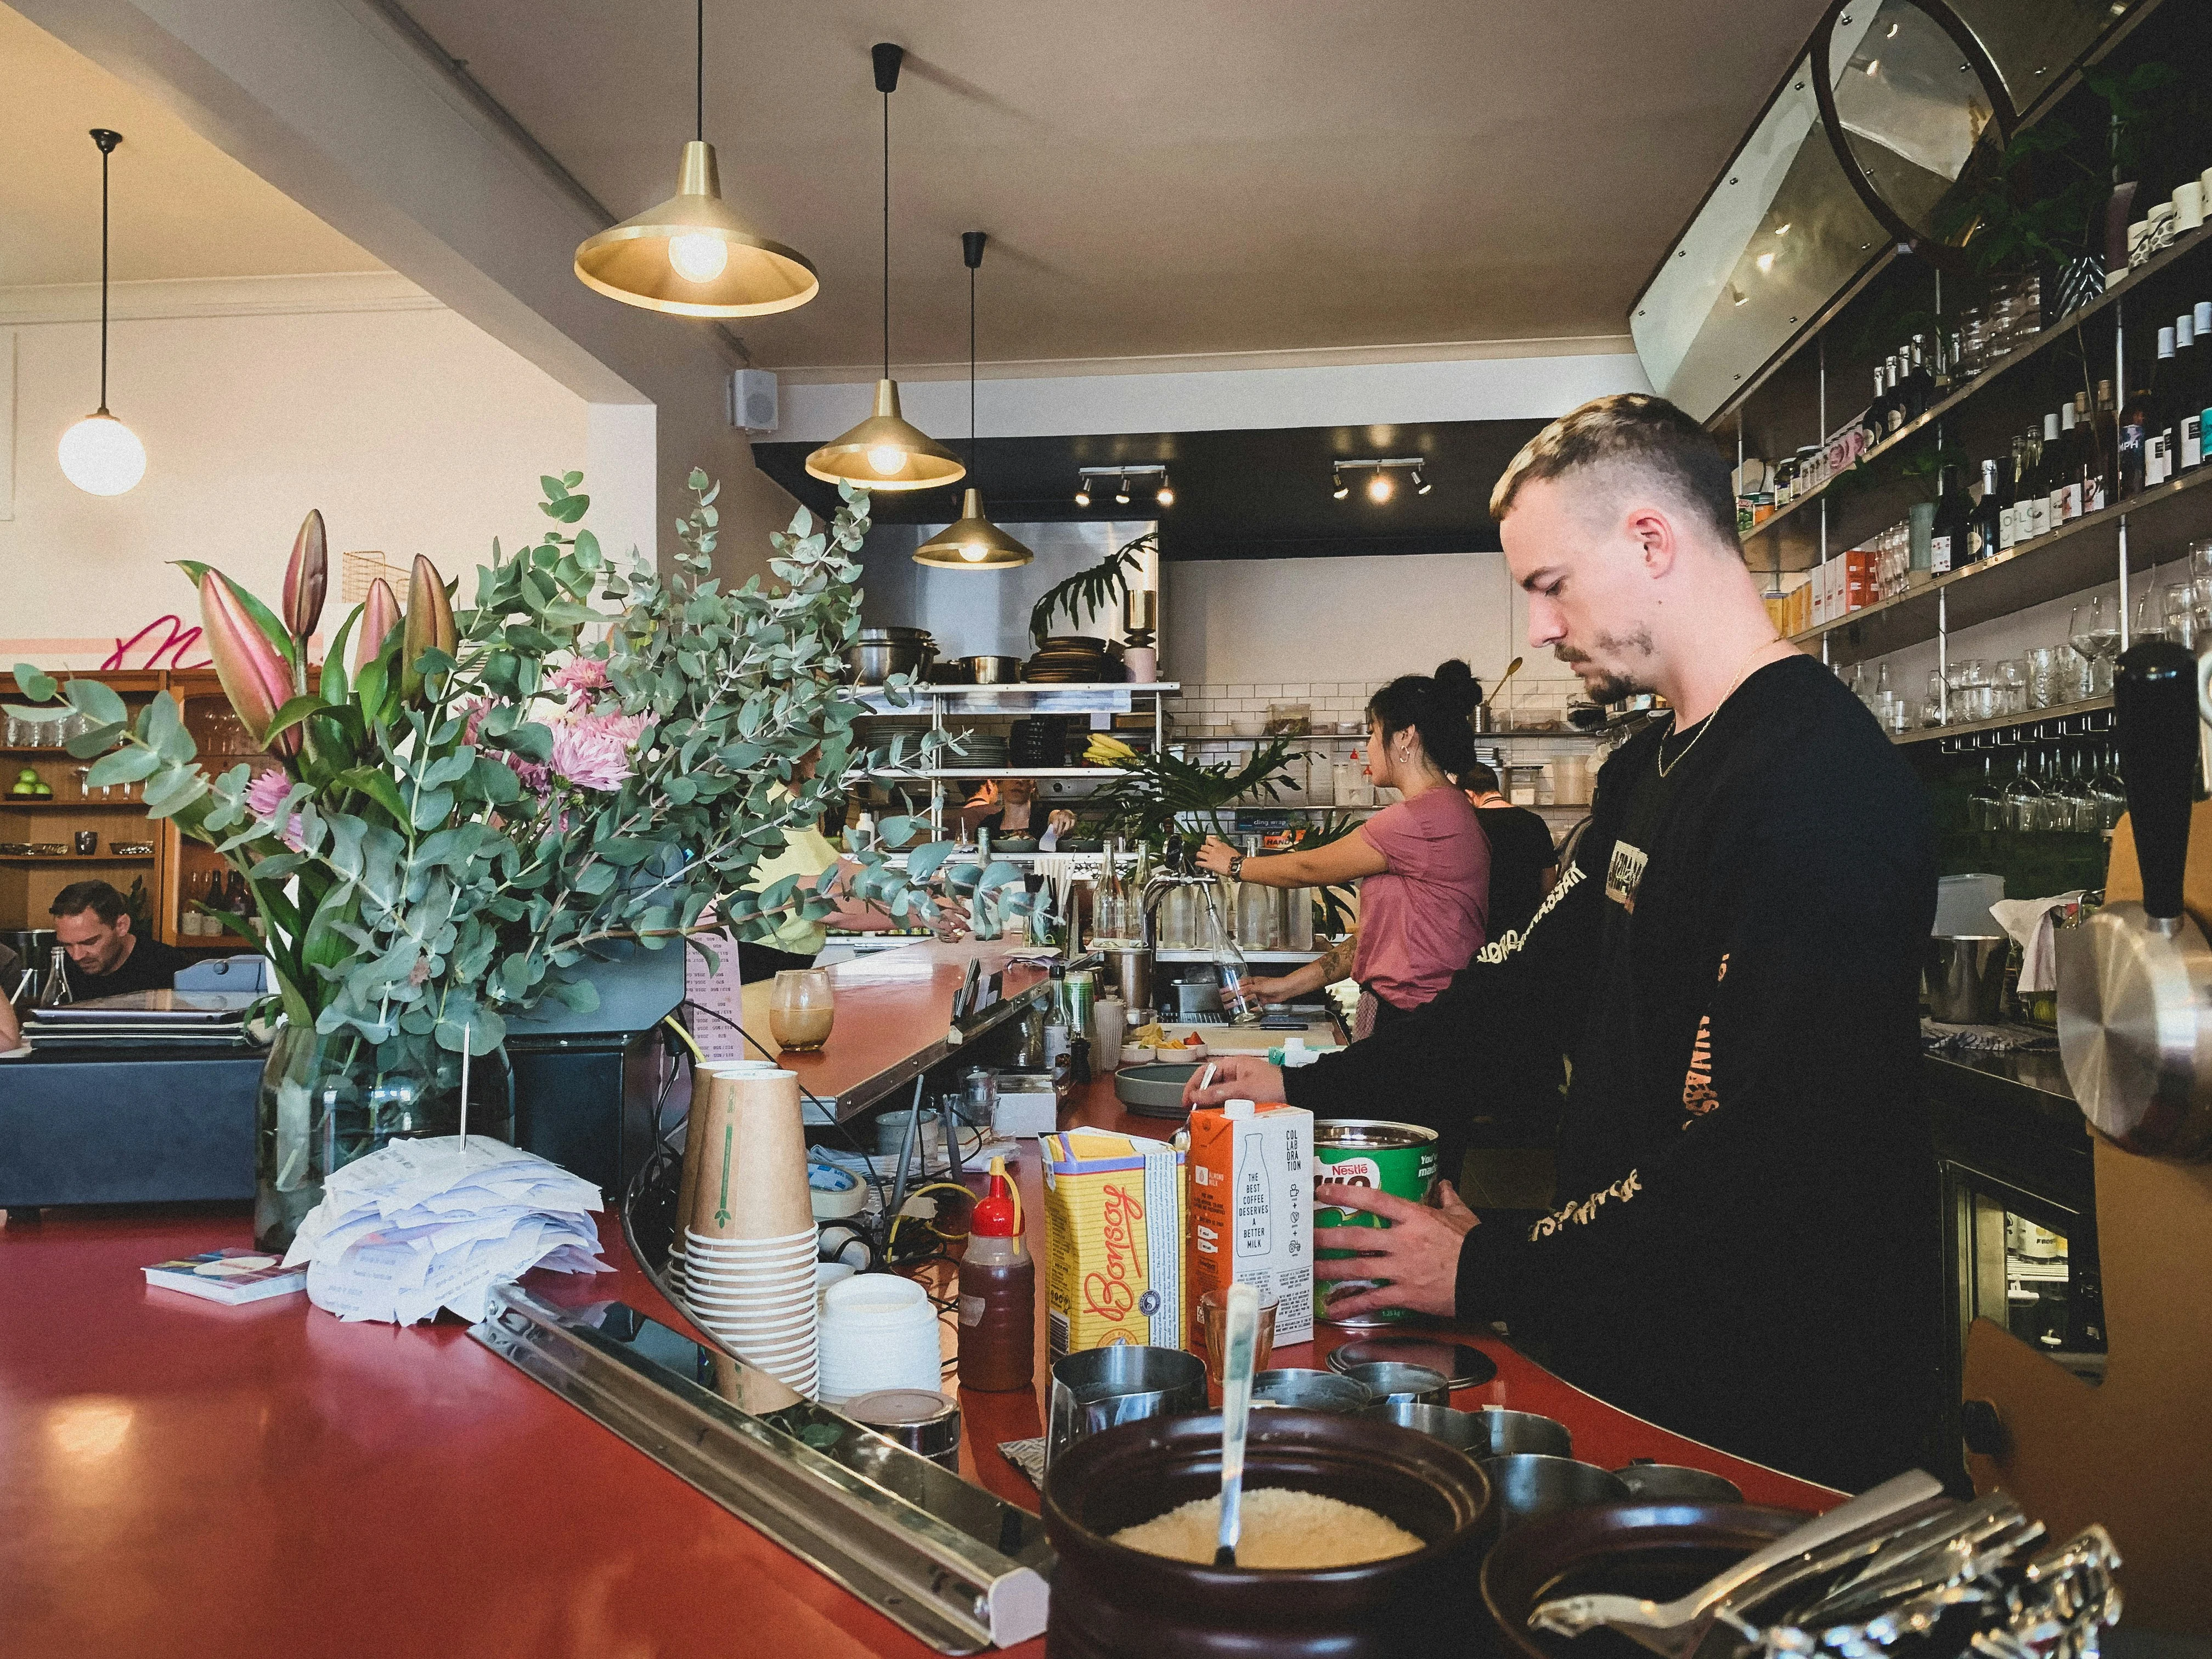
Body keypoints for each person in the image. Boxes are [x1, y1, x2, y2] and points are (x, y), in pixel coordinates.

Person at [1187, 393, 1942, 1492]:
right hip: (1645, 1353)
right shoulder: (1648, 773)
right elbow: (1517, 997)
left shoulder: (1819, 783)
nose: (1538, 630)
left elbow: (1772, 1155)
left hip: (1785, 1404)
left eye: (1549, 586)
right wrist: (1302, 1083)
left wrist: (1492, 1262)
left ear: (1650, 541)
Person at [1197, 661, 1489, 1038]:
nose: (1367, 747)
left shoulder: (1421, 817)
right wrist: (1285, 986)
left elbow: (1309, 869)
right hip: (1422, 1012)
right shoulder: (1446, 809)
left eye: (1372, 733)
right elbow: (1372, 942)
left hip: (1421, 1020)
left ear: (1405, 737)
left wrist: (1235, 865)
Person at [47, 880, 189, 1002]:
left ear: (122, 926)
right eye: (67, 945)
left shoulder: (169, 967)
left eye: (89, 942)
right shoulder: (58, 968)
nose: (77, 956)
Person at [1462, 761, 1558, 940]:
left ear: (1469, 795)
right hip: (1524, 928)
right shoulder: (1534, 822)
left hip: (1479, 928)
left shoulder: (1467, 825)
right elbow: (1549, 883)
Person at [959, 778, 1075, 847]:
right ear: (1000, 785)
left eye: (1024, 776)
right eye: (1011, 775)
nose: (1018, 781)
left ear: (1033, 785)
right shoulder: (988, 825)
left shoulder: (1044, 819)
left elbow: (1057, 817)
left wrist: (1064, 816)